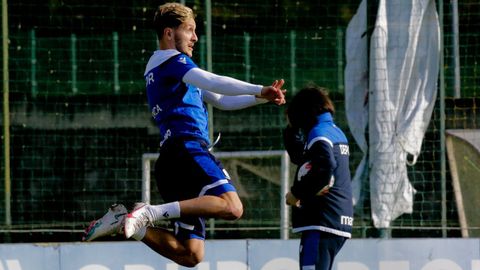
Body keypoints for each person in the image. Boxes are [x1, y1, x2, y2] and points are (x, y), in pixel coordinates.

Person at [82, 2, 286, 268]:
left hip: (172, 159)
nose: (195, 38)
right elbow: (212, 81)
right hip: (187, 149)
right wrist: (259, 88)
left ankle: (127, 223)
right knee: (233, 207)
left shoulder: (172, 69)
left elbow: (221, 99)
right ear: (169, 33)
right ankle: (149, 212)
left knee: (191, 253)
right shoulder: (172, 61)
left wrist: (262, 98)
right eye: (189, 30)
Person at [283, 85, 353, 270]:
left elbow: (326, 167)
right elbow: (301, 157)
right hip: (334, 219)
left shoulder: (319, 133)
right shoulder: (333, 131)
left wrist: (296, 193)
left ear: (304, 113)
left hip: (322, 220)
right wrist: (291, 130)